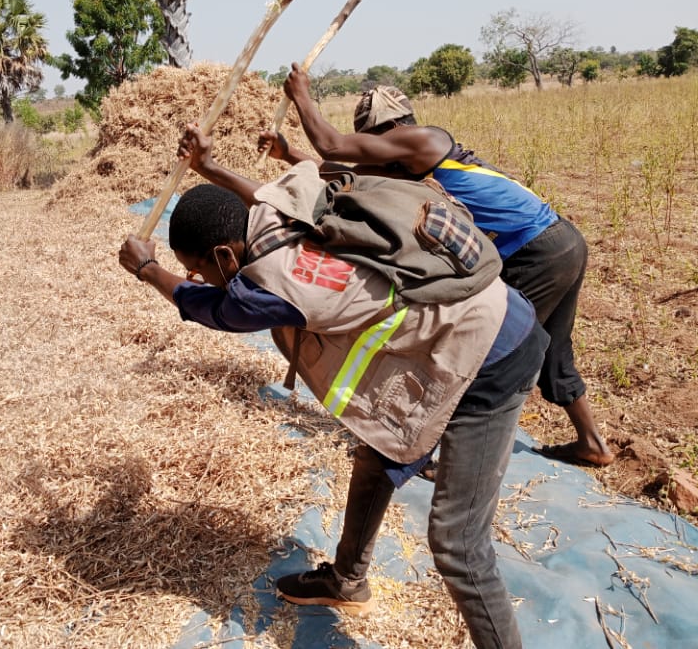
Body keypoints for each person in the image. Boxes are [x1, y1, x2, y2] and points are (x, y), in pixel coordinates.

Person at [119, 123, 549, 648]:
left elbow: (213, 309)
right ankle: (346, 581)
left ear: (226, 258)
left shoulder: (273, 287)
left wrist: (149, 271)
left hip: (492, 355)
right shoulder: (275, 211)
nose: (201, 278)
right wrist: (210, 168)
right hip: (453, 337)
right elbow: (260, 191)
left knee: (458, 544)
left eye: (199, 269)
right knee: (375, 457)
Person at [257, 62, 614, 468]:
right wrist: (288, 154)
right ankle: (592, 442)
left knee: (481, 347)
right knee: (553, 347)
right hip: (561, 242)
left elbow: (334, 147)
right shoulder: (410, 162)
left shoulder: (423, 141)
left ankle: (429, 453)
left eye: (372, 141)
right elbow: (348, 175)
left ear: (389, 132)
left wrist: (301, 92)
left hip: (535, 251)